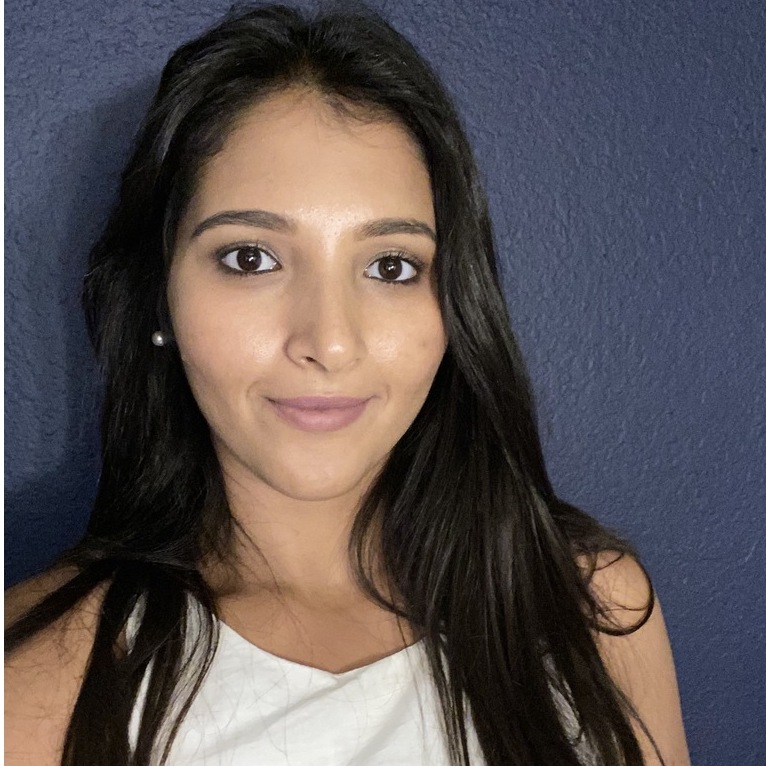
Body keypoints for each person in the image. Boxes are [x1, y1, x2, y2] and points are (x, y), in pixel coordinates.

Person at [4, 4, 691, 765]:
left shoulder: (594, 611)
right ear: (159, 298)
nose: (330, 343)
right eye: (250, 258)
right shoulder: (35, 682)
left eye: (390, 266)